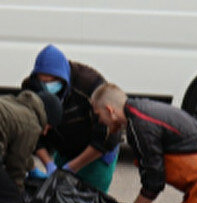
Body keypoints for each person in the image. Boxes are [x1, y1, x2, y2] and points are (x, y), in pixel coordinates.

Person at [21, 44, 122, 193]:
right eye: (44, 82)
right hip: (64, 149)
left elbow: (108, 135)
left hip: (96, 154)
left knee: (90, 200)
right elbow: (32, 130)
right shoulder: (32, 88)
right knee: (59, 196)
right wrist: (48, 163)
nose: (49, 86)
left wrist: (72, 167)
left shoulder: (90, 85)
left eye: (53, 81)